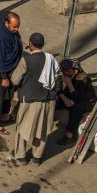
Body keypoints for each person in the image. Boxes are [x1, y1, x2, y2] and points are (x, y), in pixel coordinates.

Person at [10, 33, 59, 166]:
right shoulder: (51, 59)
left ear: (31, 44)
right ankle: (37, 158)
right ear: (43, 44)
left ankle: (20, 156)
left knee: (23, 128)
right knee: (42, 130)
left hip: (30, 100)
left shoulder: (26, 60)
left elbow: (14, 80)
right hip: (49, 101)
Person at [0, 12, 21, 134]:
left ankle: (4, 115)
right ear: (7, 23)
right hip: (2, 73)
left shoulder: (9, 31)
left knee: (7, 95)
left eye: (18, 27)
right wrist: (4, 77)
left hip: (11, 71)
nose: (16, 29)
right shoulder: (2, 38)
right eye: (14, 27)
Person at [54, 59, 94, 143]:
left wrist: (70, 85)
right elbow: (58, 88)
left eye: (68, 71)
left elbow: (78, 98)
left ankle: (69, 135)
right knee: (54, 100)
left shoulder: (84, 79)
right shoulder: (64, 75)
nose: (67, 74)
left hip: (85, 102)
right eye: (65, 72)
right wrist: (64, 99)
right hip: (70, 98)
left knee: (77, 108)